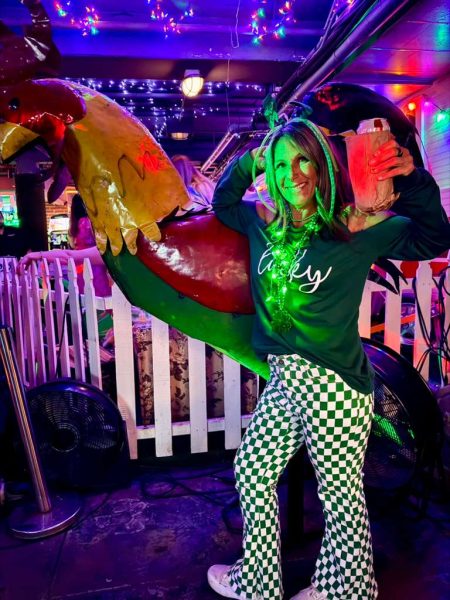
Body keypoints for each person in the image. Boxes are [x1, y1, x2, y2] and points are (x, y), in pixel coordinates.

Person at [207, 118, 450, 600]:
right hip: (285, 378)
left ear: (320, 166)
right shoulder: (263, 221)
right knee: (253, 470)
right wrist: (251, 159)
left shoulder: (354, 225)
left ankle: (347, 590)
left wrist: (412, 178)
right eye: (280, 165)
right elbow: (223, 203)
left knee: (339, 497)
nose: (292, 174)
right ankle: (258, 581)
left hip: (333, 384)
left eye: (303, 160)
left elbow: (433, 238)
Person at [17, 194, 111, 298]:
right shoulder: (90, 224)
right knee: (97, 300)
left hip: (81, 268)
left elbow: (70, 254)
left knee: (85, 300)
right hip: (94, 268)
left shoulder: (76, 225)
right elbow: (71, 255)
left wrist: (38, 255)